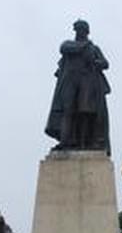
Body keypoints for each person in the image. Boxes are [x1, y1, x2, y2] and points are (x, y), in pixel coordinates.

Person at [45, 19, 111, 153]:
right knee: (67, 112)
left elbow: (105, 63)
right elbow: (64, 48)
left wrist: (96, 62)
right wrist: (85, 46)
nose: (80, 32)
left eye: (82, 29)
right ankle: (65, 142)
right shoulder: (69, 44)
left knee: (85, 113)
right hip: (69, 82)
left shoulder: (94, 48)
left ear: (87, 31)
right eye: (78, 29)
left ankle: (84, 143)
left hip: (87, 82)